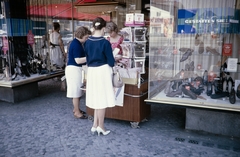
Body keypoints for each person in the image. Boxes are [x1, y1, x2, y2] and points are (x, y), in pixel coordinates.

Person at [84, 17, 115, 136]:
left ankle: (95, 125)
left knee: (96, 98)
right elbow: (111, 62)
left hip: (91, 71)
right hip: (103, 71)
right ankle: (101, 126)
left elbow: (87, 58)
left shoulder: (87, 42)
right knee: (102, 100)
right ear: (103, 28)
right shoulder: (105, 42)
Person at [65, 26, 91, 119]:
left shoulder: (76, 43)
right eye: (86, 37)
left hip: (75, 69)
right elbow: (78, 60)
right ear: (82, 35)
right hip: (74, 69)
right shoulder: (76, 44)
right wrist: (90, 58)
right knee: (76, 92)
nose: (87, 39)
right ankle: (76, 111)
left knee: (77, 91)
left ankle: (77, 109)